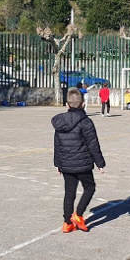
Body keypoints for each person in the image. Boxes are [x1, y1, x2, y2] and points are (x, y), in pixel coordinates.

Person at [52, 87, 106, 234]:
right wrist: (100, 163)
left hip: (67, 165)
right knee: (90, 187)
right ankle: (78, 215)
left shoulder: (60, 123)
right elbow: (93, 144)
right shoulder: (86, 122)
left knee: (69, 193)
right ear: (83, 104)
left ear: (67, 105)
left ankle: (67, 222)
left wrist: (58, 164)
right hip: (83, 165)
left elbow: (57, 144)